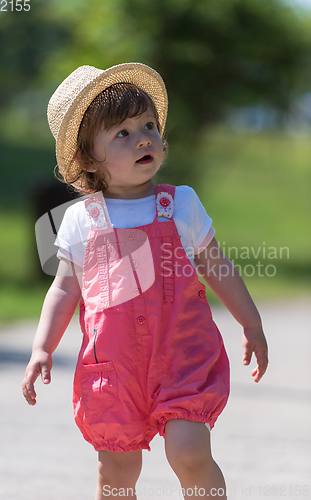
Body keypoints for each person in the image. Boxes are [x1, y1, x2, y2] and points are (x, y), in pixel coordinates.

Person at [22, 63, 268, 499]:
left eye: (149, 125)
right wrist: (42, 348)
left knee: (188, 451)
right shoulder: (81, 219)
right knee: (117, 469)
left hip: (182, 355)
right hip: (114, 368)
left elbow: (218, 266)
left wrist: (251, 324)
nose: (143, 137)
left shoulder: (181, 205)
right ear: (86, 158)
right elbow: (63, 288)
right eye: (122, 133)